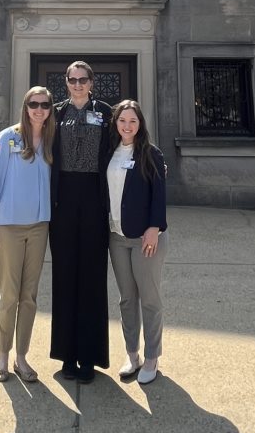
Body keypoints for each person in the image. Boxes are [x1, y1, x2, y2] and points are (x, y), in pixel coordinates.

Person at [0, 86, 55, 383]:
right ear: (25, 107)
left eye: (45, 104)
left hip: (39, 226)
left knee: (29, 296)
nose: (39, 109)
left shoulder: (54, 140)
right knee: (9, 294)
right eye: (33, 104)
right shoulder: (8, 137)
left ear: (51, 109)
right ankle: (1, 355)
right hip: (9, 225)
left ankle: (21, 357)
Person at [49, 61, 113, 383]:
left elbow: (129, 139)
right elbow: (28, 134)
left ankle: (89, 357)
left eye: (82, 79)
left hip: (93, 198)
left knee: (91, 277)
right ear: (66, 82)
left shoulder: (106, 113)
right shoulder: (55, 112)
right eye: (72, 80)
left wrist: (154, 161)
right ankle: (67, 356)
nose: (77, 84)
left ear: (91, 81)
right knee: (64, 276)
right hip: (62, 201)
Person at [106, 99, 168, 385]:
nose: (127, 126)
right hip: (117, 237)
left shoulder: (150, 154)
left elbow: (159, 194)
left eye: (132, 121)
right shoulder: (109, 152)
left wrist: (154, 227)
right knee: (127, 299)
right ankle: (133, 354)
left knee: (150, 299)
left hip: (145, 237)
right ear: (115, 123)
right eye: (122, 121)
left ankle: (152, 357)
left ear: (140, 123)